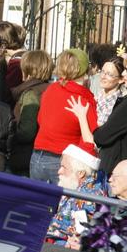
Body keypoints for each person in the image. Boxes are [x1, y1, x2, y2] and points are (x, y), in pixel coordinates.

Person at [65, 52, 127, 176]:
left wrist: (83, 117)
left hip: (117, 171)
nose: (124, 73)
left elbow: (101, 137)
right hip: (126, 166)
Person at [30, 48, 96, 185]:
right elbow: (90, 135)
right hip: (62, 160)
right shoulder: (83, 99)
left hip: (37, 156)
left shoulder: (51, 89)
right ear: (84, 70)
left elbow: (41, 119)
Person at [9, 50, 52, 177]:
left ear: (27, 70)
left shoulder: (31, 94)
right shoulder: (50, 89)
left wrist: (10, 135)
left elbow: (27, 132)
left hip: (26, 156)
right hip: (43, 153)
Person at [93, 54, 125, 126]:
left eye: (109, 74)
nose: (103, 76)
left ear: (121, 79)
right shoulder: (98, 96)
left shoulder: (116, 105)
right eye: (102, 71)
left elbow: (98, 130)